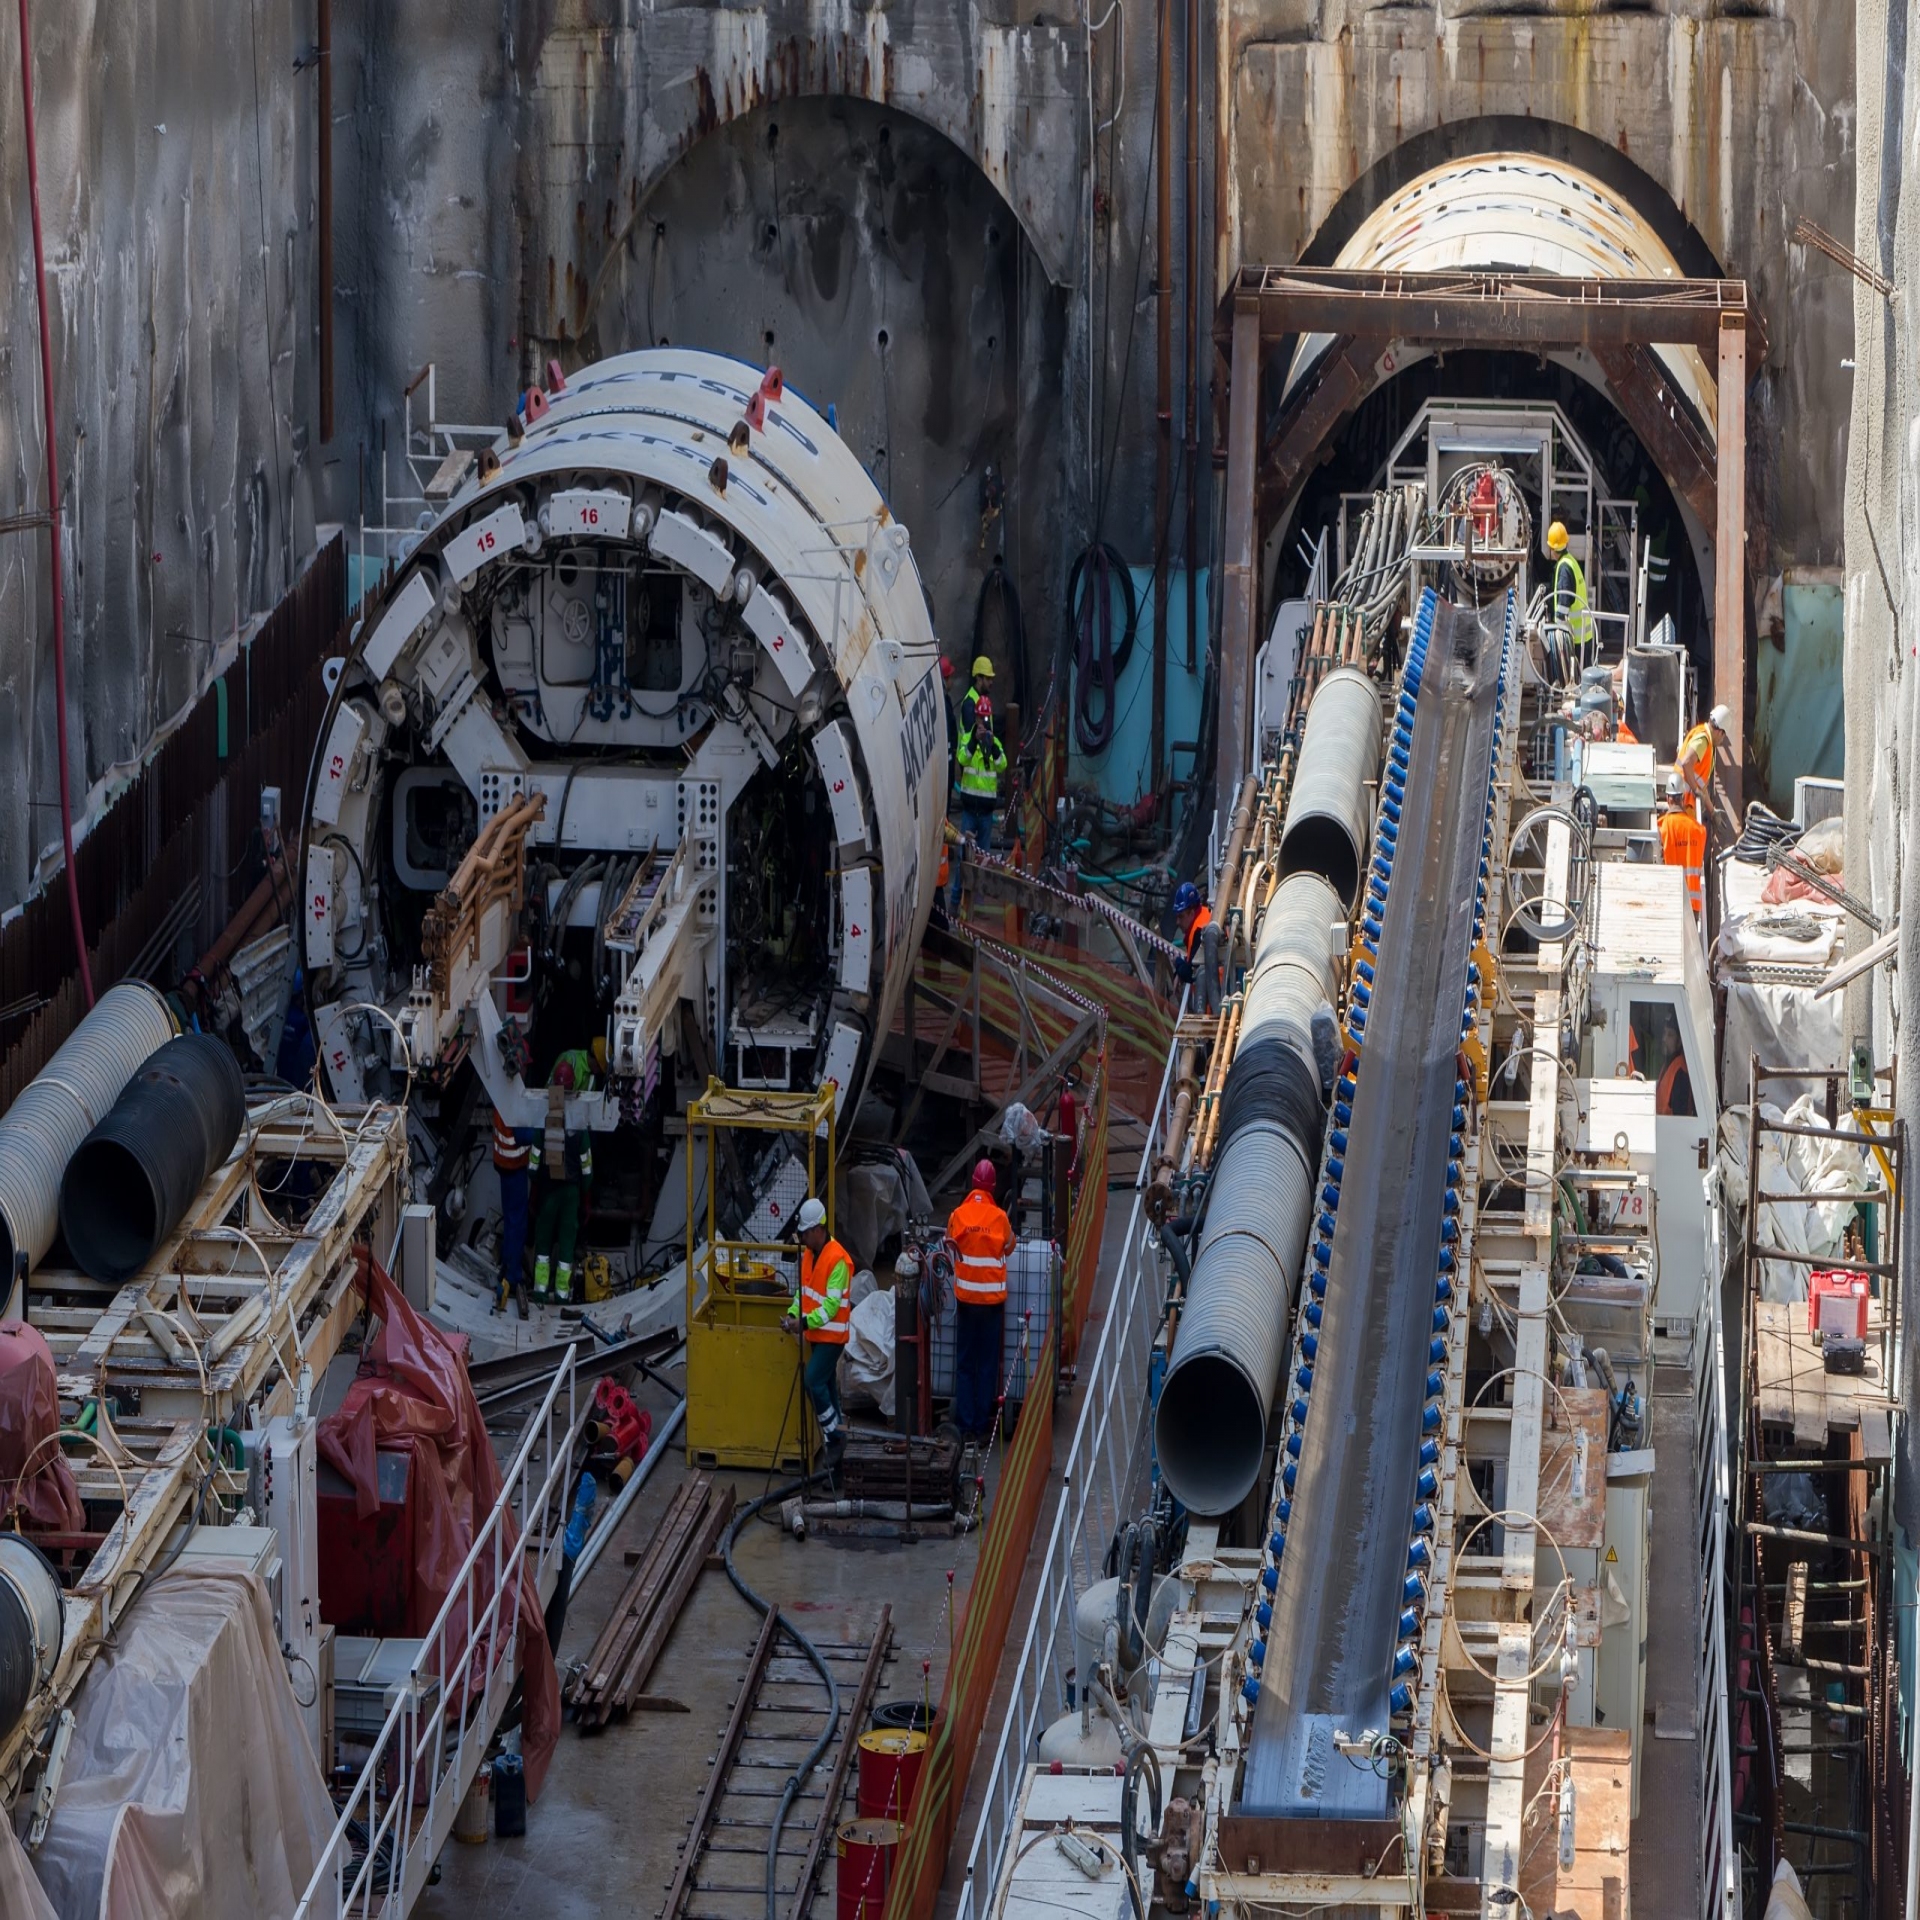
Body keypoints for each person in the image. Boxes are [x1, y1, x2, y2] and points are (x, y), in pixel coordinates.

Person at [947, 1159, 1016, 1440]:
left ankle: (963, 1427)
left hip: (965, 1303)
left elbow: (949, 1242)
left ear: (973, 1183)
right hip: (991, 1305)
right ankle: (979, 1426)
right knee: (987, 1365)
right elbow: (1010, 1247)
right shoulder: (1000, 1218)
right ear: (993, 1188)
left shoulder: (958, 1214)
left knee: (965, 1364)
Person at [784, 1196, 853, 1461]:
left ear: (817, 1230)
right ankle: (837, 1446)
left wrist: (801, 1323)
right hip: (817, 1334)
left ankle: (834, 1437)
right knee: (826, 1387)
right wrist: (792, 1313)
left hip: (832, 1338)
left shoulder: (837, 1261)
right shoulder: (810, 1255)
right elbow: (805, 1292)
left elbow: (831, 1307)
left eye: (804, 1233)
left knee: (812, 1381)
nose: (801, 1238)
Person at [529, 1050, 595, 1304]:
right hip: (570, 1193)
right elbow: (587, 1169)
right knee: (567, 1246)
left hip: (547, 1190)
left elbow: (534, 1164)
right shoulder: (579, 1126)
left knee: (543, 1244)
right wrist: (585, 1199)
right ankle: (563, 1295)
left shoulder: (545, 1121)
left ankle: (539, 1291)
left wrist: (534, 1194)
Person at [952, 708, 1007, 915]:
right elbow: (962, 760)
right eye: (980, 718)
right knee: (963, 861)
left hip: (985, 814)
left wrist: (992, 747)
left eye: (985, 718)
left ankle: (978, 906)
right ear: (974, 718)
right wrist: (975, 741)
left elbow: (1003, 765)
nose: (983, 722)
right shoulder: (967, 739)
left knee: (982, 863)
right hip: (969, 811)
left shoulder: (995, 742)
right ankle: (955, 903)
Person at [492, 1105, 533, 1314]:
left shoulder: (500, 1098)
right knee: (517, 1223)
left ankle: (507, 1268)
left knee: (510, 1221)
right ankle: (513, 1276)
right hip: (514, 1167)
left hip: (504, 1166)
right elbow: (525, 1134)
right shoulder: (512, 1104)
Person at [1677, 704, 1736, 829]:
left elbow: (1701, 785)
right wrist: (1695, 790)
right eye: (1723, 737)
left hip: (1682, 801)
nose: (1722, 740)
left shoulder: (1703, 737)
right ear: (1720, 732)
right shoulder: (1703, 740)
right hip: (1683, 802)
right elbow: (1686, 762)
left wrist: (1713, 812)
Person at [1657, 771, 1706, 918]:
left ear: (1667, 799)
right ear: (1683, 798)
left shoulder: (1661, 828)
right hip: (1693, 904)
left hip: (1671, 900)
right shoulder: (1699, 830)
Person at [1545, 521, 1594, 656]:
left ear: (1552, 549)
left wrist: (1558, 639)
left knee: (1575, 676)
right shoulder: (1571, 561)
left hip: (1575, 640)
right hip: (1584, 637)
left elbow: (1563, 606)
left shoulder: (1564, 568)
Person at [1171, 880, 1216, 1008]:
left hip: (1212, 1001)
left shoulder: (1199, 931)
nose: (1177, 922)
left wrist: (1177, 962)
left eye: (1181, 916)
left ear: (1191, 913)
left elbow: (1191, 973)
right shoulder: (1205, 914)